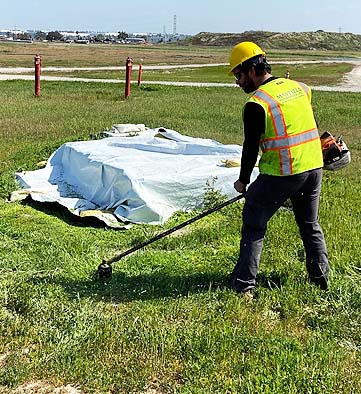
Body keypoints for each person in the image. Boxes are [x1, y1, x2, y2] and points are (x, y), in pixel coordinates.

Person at [228, 41, 330, 294]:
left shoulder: (257, 103)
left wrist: (243, 181)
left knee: (254, 223)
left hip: (283, 173)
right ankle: (321, 278)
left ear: (251, 69)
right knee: (309, 223)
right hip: (314, 167)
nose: (238, 82)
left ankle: (243, 285)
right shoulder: (300, 88)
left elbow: (250, 147)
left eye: (238, 75)